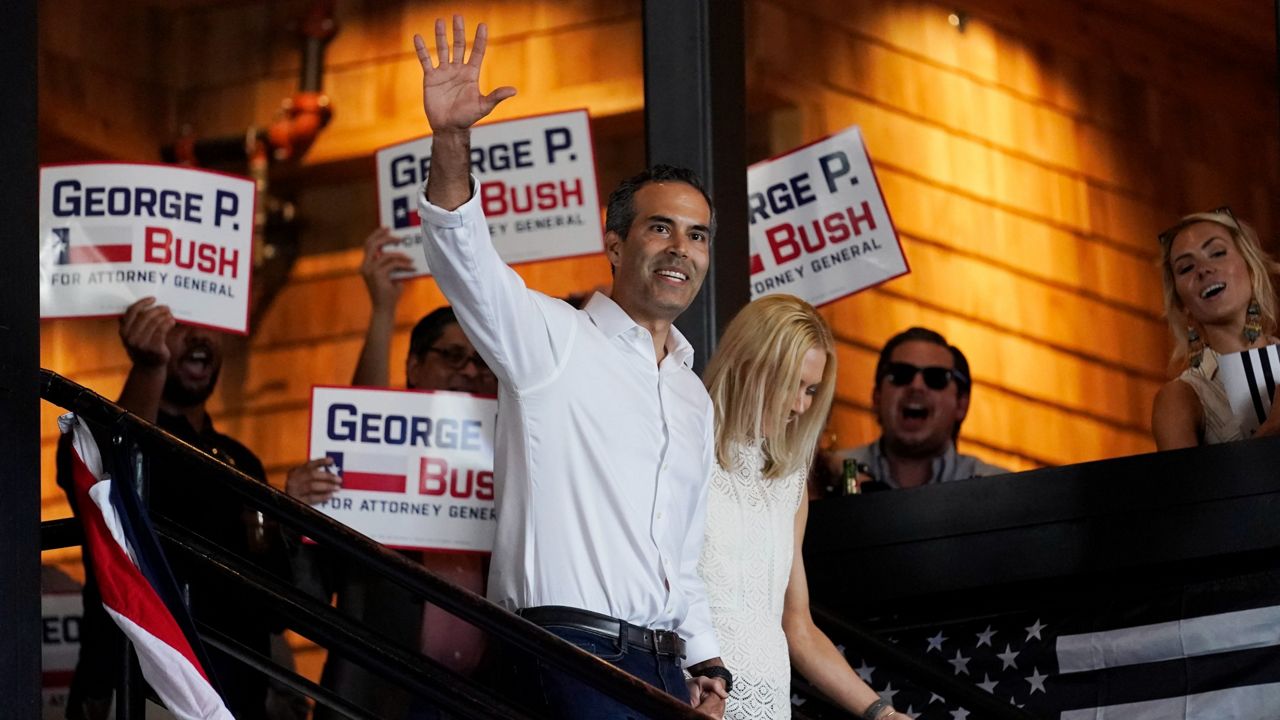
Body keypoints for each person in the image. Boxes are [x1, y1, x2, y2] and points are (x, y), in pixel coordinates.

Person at [412, 15, 729, 718]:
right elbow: (464, 258)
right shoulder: (554, 339)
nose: (681, 249)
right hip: (565, 654)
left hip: (667, 668)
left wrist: (707, 659)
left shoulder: (690, 393)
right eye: (660, 228)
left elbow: (682, 554)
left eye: (698, 235)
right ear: (614, 245)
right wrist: (452, 139)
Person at [285, 228, 497, 719]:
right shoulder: (384, 461)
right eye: (452, 355)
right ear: (415, 366)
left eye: (482, 361)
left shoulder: (508, 458)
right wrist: (383, 308)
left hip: (484, 699)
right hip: (381, 698)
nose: (470, 370)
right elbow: (364, 428)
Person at [57, 297, 289, 720]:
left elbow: (273, 601)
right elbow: (114, 472)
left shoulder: (243, 460)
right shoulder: (93, 434)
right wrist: (150, 368)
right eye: (179, 320)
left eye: (212, 319)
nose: (199, 334)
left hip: (235, 689)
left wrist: (291, 517)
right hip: (137, 678)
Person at [699, 295, 904, 720]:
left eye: (811, 389)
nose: (801, 405)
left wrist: (881, 713)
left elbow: (799, 628)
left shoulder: (788, 481)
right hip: (695, 699)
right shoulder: (686, 446)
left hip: (770, 705)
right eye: (791, 383)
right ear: (749, 363)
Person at [1152, 206, 1280, 448]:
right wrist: (1272, 431)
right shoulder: (1182, 398)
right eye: (1186, 268)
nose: (1203, 269)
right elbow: (1186, 485)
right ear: (1182, 304)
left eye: (1218, 253)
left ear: (1251, 271)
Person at [827, 327, 1007, 491]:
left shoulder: (1000, 488)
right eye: (901, 374)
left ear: (961, 404)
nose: (916, 386)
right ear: (877, 396)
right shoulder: (825, 476)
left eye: (936, 378)